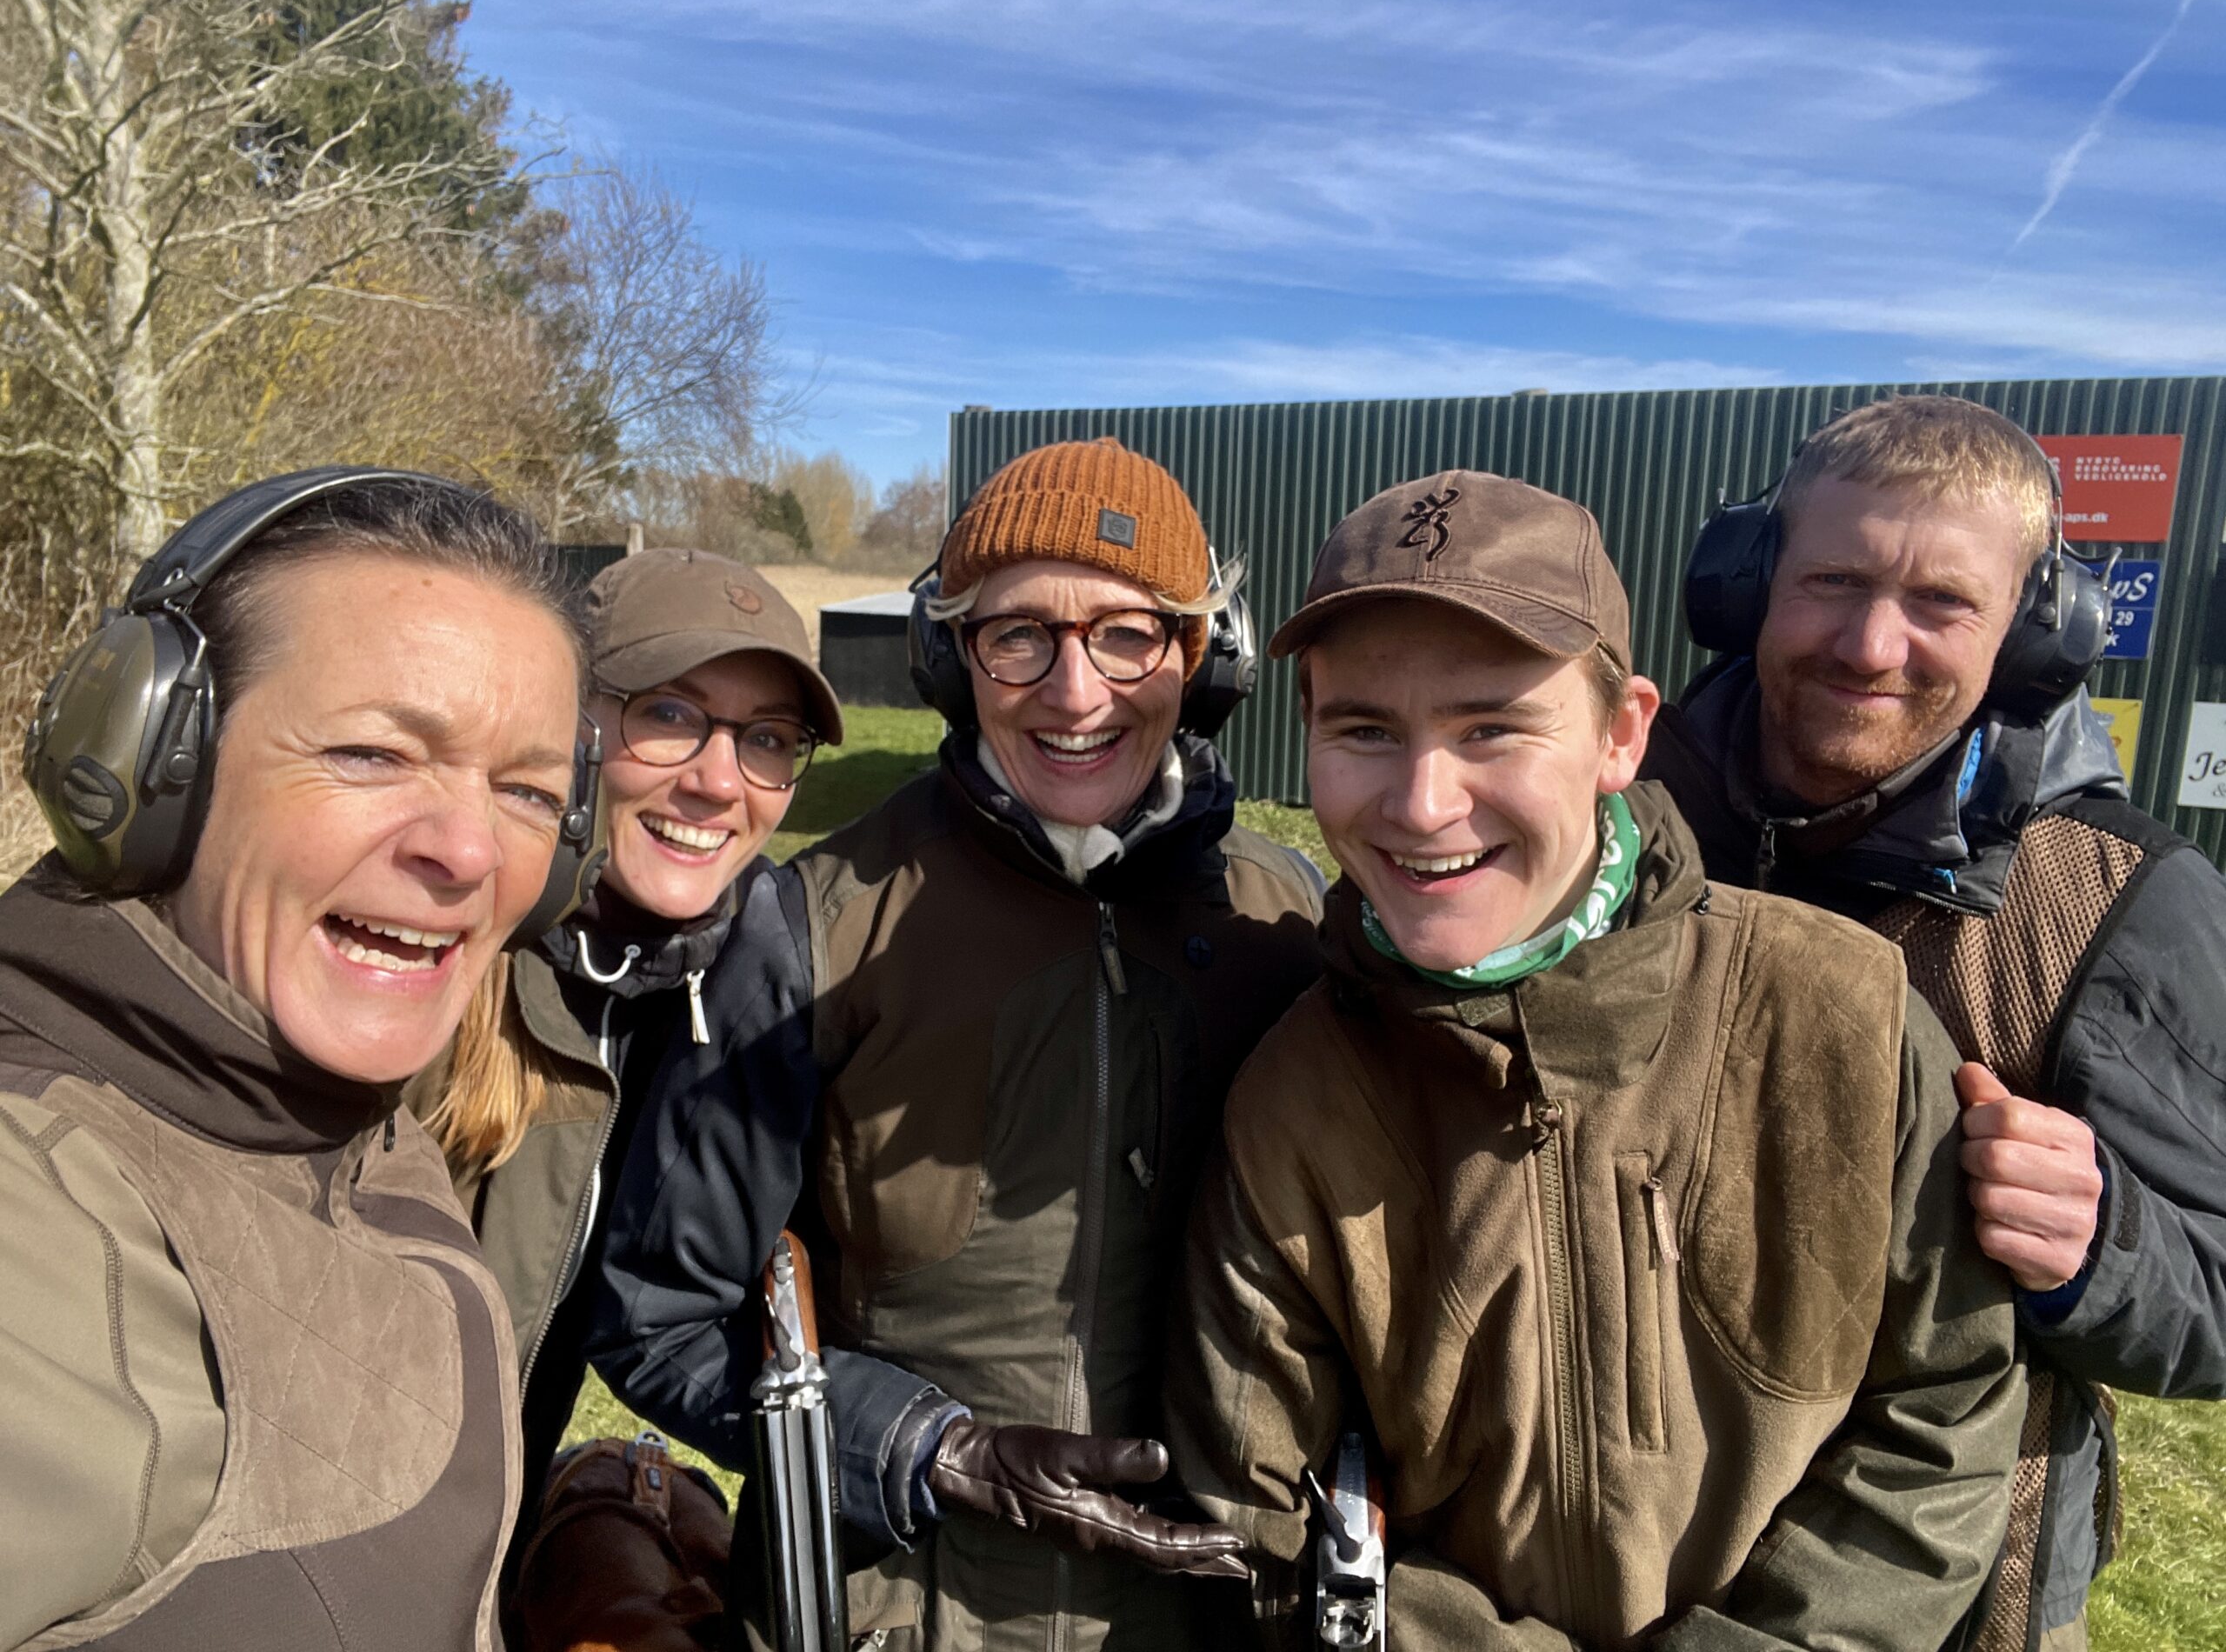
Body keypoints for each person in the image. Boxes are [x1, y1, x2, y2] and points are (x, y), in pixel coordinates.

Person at [1171, 470, 2025, 1651]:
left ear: (1622, 733)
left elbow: (1944, 1409)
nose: (1423, 804)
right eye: (1365, 729)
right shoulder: (1294, 1098)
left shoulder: (1843, 1014)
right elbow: (1259, 1516)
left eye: (1492, 727)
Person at [596, 436, 1327, 1649]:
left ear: (1201, 658)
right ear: (954, 657)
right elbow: (663, 1316)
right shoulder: (807, 926)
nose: (1075, 691)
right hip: (892, 1615)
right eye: (1019, 634)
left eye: (1128, 635)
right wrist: (925, 1448)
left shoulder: (1288, 915)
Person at [1642, 393, 2226, 1651]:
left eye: (1941, 604)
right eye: (1832, 580)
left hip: (1952, 1600)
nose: (1869, 643)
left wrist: (2104, 1242)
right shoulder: (1623, 824)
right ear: (1747, 588)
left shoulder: (2120, 906)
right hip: (1615, 1557)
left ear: (2033, 634)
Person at [0, 470, 590, 1651]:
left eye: (528, 791)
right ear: (147, 760)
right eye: (374, 754)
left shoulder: (345, 1128)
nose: (469, 850)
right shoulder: (31, 1211)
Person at [408, 546, 843, 1517]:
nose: (718, 782)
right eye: (671, 716)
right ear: (567, 723)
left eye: (768, 739)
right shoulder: (424, 952)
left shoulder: (720, 993)